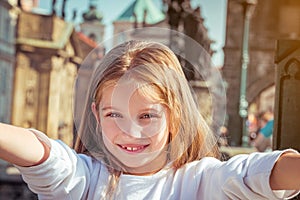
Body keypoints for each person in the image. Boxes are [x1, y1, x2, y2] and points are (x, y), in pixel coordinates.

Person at [0, 40, 299, 199]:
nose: (130, 131)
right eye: (114, 115)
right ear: (96, 115)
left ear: (175, 116)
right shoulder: (86, 180)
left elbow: (254, 173)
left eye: (147, 115)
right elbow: (45, 154)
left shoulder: (201, 181)